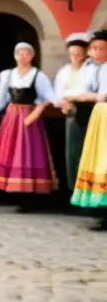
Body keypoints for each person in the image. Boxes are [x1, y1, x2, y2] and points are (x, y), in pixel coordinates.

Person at [0, 42, 62, 199]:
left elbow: (49, 95)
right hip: (11, 117)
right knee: (11, 150)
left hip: (28, 116)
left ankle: (29, 190)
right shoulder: (8, 74)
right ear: (15, 56)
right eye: (19, 53)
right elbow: (1, 96)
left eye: (26, 53)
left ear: (32, 56)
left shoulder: (38, 75)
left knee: (28, 151)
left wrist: (61, 103)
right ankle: (13, 189)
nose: (23, 56)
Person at [69, 29, 107, 230]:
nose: (96, 52)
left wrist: (86, 96)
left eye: (100, 48)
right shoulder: (92, 68)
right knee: (97, 159)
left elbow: (103, 95)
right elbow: (80, 92)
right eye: (93, 48)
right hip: (99, 116)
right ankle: (99, 209)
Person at [55, 33, 92, 192]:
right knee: (73, 152)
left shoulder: (93, 70)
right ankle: (74, 188)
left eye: (78, 54)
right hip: (71, 113)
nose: (75, 57)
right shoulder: (64, 72)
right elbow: (57, 93)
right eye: (72, 54)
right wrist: (63, 103)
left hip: (90, 110)